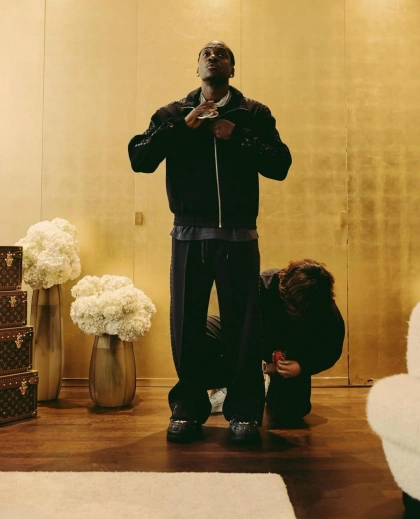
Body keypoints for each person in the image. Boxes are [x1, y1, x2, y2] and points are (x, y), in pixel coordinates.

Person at [128, 40, 292, 444]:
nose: (213, 57)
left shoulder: (253, 114)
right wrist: (180, 127)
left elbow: (280, 164)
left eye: (221, 54)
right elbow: (140, 159)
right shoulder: (172, 114)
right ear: (197, 68)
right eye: (206, 53)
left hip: (239, 238)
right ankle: (187, 409)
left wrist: (238, 136)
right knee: (186, 326)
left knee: (244, 328)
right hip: (188, 236)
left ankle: (244, 413)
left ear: (232, 69)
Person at [207, 259, 345, 424]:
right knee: (202, 331)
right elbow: (237, 324)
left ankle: (267, 388)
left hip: (290, 358)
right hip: (253, 341)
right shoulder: (262, 285)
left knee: (292, 410)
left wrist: (302, 366)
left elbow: (331, 349)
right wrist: (253, 362)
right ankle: (228, 384)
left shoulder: (325, 310)